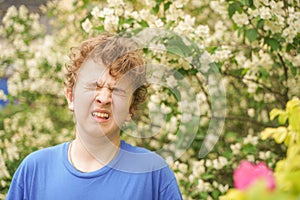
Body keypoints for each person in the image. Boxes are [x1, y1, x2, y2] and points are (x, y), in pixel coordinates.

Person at [6, 33, 183, 200]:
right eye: (93, 86)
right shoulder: (34, 170)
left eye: (118, 91)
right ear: (71, 97)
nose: (104, 98)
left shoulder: (153, 174)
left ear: (131, 109)